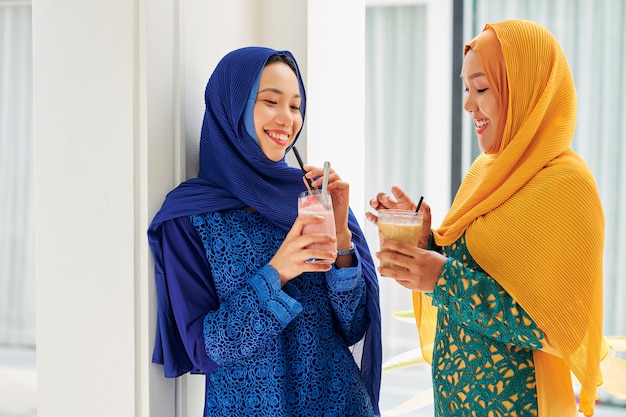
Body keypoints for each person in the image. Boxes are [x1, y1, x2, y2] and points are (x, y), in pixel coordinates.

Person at [367, 20, 605, 416]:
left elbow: (559, 330)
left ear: (524, 90)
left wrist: (442, 277)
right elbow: (473, 277)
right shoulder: (486, 172)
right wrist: (424, 243)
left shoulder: (568, 185)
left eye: (481, 88)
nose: (468, 104)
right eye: (466, 88)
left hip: (523, 405)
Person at [147, 46, 382, 416]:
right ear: (233, 106)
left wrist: (341, 236)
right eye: (271, 101)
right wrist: (279, 271)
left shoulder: (311, 197)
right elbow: (203, 348)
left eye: (295, 106)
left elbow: (353, 327)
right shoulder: (190, 215)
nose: (287, 119)